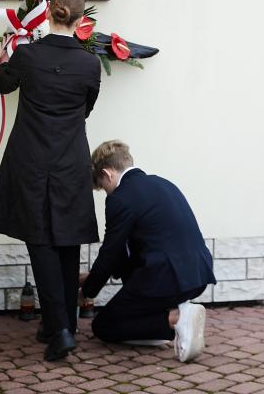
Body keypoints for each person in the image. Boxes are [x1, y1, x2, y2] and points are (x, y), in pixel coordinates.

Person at [0, 0, 101, 362]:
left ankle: (60, 330)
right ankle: (61, 324)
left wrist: (8, 54)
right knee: (67, 241)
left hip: (31, 158)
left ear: (49, 15)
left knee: (41, 242)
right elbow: (85, 109)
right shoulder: (89, 64)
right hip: (70, 160)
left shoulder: (28, 55)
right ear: (80, 21)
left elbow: (0, 84)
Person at [80, 141, 216, 363]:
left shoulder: (120, 198)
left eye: (103, 186)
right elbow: (126, 254)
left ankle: (176, 318)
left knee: (103, 325)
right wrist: (93, 277)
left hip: (165, 278)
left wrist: (87, 291)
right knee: (133, 297)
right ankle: (166, 322)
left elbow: (110, 253)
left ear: (107, 174)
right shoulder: (164, 183)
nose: (106, 192)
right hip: (198, 274)